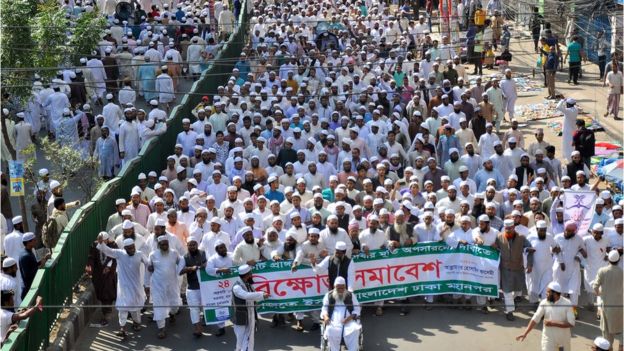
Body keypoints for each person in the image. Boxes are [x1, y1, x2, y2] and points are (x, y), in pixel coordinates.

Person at [96, 233, 148, 338]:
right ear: (125, 248)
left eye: (133, 247)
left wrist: (151, 270)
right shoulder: (120, 254)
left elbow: (148, 263)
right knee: (122, 307)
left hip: (135, 286)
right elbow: (108, 251)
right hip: (123, 286)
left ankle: (137, 323)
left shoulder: (139, 254)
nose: (132, 249)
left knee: (135, 307)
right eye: (129, 248)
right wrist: (101, 244)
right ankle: (122, 328)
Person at [516, 281, 575, 351]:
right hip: (548, 340)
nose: (546, 294)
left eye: (548, 292)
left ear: (555, 294)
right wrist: (525, 333)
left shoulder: (567, 303)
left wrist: (552, 323)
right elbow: (536, 318)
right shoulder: (544, 302)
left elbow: (571, 323)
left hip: (563, 341)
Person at [495, 220, 534, 320]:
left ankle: (513, 303)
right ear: (504, 228)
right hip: (505, 269)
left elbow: (530, 250)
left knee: (518, 290)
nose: (508, 230)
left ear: (514, 228)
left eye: (510, 228)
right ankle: (509, 311)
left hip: (518, 269)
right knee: (507, 291)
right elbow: (494, 249)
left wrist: (530, 264)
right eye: (506, 228)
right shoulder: (499, 237)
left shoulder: (521, 238)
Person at [147, 235, 183, 339]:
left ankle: (172, 314)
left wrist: (181, 271)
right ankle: (161, 329)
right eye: (162, 245)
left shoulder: (174, 253)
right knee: (159, 306)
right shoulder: (153, 255)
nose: (165, 246)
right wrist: (146, 283)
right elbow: (149, 268)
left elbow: (181, 262)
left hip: (172, 284)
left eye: (166, 244)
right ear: (158, 245)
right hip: (158, 285)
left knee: (175, 305)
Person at [231, 264, 269, 351]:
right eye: (250, 273)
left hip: (250, 316)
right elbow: (246, 295)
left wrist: (260, 298)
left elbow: (253, 296)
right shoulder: (237, 287)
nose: (252, 275)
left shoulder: (248, 284)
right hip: (241, 318)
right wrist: (262, 295)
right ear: (247, 275)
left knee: (248, 339)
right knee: (241, 340)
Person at [320, 276, 362, 351]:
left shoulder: (350, 295)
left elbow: (357, 308)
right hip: (333, 321)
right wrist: (326, 317)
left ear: (345, 287)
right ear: (334, 287)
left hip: (349, 321)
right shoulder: (329, 295)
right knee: (330, 330)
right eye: (338, 288)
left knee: (354, 330)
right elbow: (324, 308)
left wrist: (349, 318)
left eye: (342, 288)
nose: (340, 290)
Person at [593, 250, 623, 349]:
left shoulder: (602, 271)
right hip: (619, 306)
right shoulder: (622, 272)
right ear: (618, 260)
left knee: (607, 334)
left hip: (606, 306)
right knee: (620, 330)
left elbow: (595, 287)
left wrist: (599, 294)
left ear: (608, 259)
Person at [86, 232, 117, 326]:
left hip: (109, 274)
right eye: (100, 241)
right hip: (98, 274)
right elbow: (91, 258)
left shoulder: (113, 245)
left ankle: (106, 313)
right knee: (100, 293)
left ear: (107, 240)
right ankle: (106, 310)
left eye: (103, 241)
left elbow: (115, 258)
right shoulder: (95, 245)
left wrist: (110, 267)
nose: (101, 243)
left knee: (107, 292)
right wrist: (89, 266)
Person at [179, 237, 207, 337]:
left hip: (204, 287)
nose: (192, 247)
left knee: (205, 307)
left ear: (197, 245)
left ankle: (206, 320)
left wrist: (205, 265)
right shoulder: (184, 257)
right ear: (187, 246)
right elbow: (180, 271)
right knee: (194, 309)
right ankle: (197, 328)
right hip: (192, 288)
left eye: (194, 244)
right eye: (190, 245)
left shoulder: (203, 253)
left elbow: (209, 264)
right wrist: (190, 268)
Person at [19, 232, 50, 299]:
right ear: (28, 242)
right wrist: (40, 265)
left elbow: (33, 265)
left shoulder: (28, 252)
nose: (36, 242)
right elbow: (28, 275)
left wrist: (44, 259)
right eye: (34, 240)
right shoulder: (25, 256)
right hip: (29, 290)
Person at [556, 98, 578, 162]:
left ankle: (570, 159)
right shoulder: (575, 109)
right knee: (572, 144)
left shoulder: (568, 111)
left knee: (567, 145)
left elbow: (558, 107)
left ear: (568, 104)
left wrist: (562, 100)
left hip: (567, 131)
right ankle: (572, 156)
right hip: (573, 129)